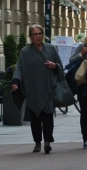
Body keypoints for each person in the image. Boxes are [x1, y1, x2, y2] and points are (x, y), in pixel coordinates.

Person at [12, 24, 63, 154]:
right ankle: (37, 142)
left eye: (40, 33)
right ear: (31, 36)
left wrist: (54, 66)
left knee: (48, 116)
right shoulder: (25, 52)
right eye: (35, 34)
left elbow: (60, 65)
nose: (38, 36)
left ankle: (47, 142)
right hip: (32, 89)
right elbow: (19, 67)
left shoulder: (50, 49)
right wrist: (16, 81)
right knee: (35, 118)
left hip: (48, 88)